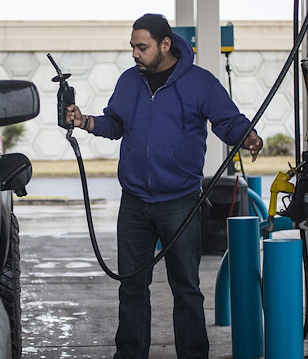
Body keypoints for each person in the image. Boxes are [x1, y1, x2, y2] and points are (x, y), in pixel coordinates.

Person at [65, 13, 263, 359]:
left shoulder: (199, 82)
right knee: (131, 286)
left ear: (165, 45)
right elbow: (115, 123)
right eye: (132, 47)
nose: (135, 54)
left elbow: (227, 120)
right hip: (135, 201)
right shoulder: (129, 81)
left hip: (180, 201)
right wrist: (87, 122)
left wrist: (247, 136)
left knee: (186, 288)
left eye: (141, 47)